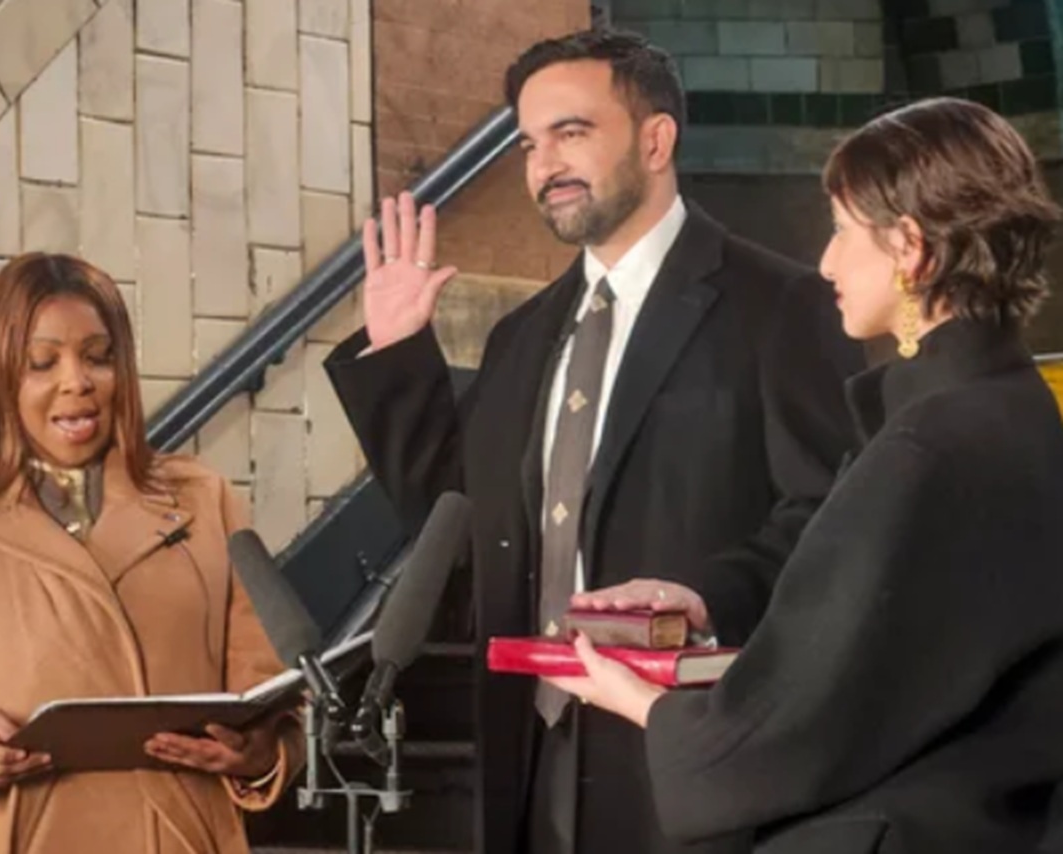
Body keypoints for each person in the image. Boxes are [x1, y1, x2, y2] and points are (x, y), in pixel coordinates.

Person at [326, 28, 864, 854]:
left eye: (571, 132)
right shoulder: (520, 337)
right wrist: (399, 356)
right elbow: (458, 523)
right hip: (531, 760)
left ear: (656, 140)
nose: (544, 165)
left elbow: (829, 521)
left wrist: (702, 600)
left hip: (690, 757)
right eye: (528, 144)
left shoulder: (781, 307)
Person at [548, 97, 1063, 853]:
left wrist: (649, 707)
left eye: (842, 230)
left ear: (910, 247)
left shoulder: (928, 445)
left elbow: (807, 708)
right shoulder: (1015, 410)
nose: (826, 261)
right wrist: (704, 601)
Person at [0, 253, 301, 854]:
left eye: (99, 357)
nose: (77, 381)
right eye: (43, 362)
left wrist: (262, 753)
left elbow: (273, 695)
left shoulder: (203, 499)